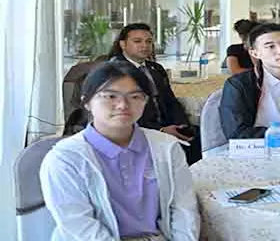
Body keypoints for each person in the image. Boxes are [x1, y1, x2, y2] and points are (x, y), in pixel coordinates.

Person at [40, 61, 199, 241]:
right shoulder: (65, 158)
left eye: (135, 96)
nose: (123, 105)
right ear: (87, 102)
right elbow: (78, 225)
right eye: (110, 96)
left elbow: (184, 209)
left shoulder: (166, 148)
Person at [108, 23, 202, 164]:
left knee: (199, 136)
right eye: (137, 41)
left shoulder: (156, 69)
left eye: (149, 41)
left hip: (165, 125)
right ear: (123, 44)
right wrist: (161, 130)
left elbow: (170, 101)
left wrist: (181, 124)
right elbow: (121, 112)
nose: (144, 46)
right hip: (138, 130)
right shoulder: (115, 71)